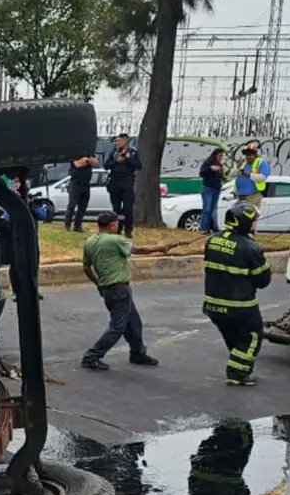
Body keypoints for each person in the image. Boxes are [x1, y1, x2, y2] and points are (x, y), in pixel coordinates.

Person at [80, 212, 181, 372]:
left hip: (108, 289)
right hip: (120, 288)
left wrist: (98, 283)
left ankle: (137, 353)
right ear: (112, 225)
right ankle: (92, 356)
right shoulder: (115, 240)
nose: (118, 226)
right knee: (118, 326)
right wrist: (159, 248)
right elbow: (139, 250)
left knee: (133, 322)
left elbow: (86, 268)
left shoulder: (90, 241)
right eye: (116, 223)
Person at [203, 201, 272, 387]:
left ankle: (236, 370)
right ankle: (238, 374)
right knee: (252, 338)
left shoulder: (212, 240)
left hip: (213, 306)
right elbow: (263, 281)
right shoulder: (251, 248)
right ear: (245, 222)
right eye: (253, 221)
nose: (255, 225)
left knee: (235, 339)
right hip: (240, 307)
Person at [104, 133, 142, 238]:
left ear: (125, 141)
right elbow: (106, 166)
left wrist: (127, 160)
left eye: (119, 141)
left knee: (128, 208)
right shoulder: (114, 152)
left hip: (127, 182)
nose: (116, 143)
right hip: (115, 182)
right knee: (116, 208)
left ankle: (128, 230)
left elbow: (138, 165)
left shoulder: (133, 152)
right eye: (116, 141)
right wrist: (117, 161)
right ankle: (117, 229)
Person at [64, 153, 99, 232]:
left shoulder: (90, 154)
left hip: (86, 184)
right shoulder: (75, 154)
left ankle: (77, 226)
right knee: (72, 205)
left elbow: (96, 164)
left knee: (83, 207)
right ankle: (67, 225)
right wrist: (89, 161)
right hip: (76, 184)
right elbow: (78, 164)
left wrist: (88, 160)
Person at [198, 148, 228, 233]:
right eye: (220, 156)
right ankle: (203, 228)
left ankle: (210, 228)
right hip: (208, 189)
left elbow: (221, 177)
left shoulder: (220, 165)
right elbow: (201, 173)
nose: (221, 158)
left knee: (213, 209)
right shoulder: (208, 163)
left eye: (222, 156)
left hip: (216, 189)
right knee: (207, 209)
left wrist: (225, 177)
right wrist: (211, 169)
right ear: (215, 155)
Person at [234, 142, 270, 208]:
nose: (248, 157)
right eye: (246, 155)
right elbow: (233, 175)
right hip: (240, 195)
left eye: (250, 155)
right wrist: (236, 168)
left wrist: (250, 175)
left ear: (255, 154)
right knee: (240, 217)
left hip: (253, 195)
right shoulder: (244, 163)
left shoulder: (261, 162)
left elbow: (263, 177)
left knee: (250, 217)